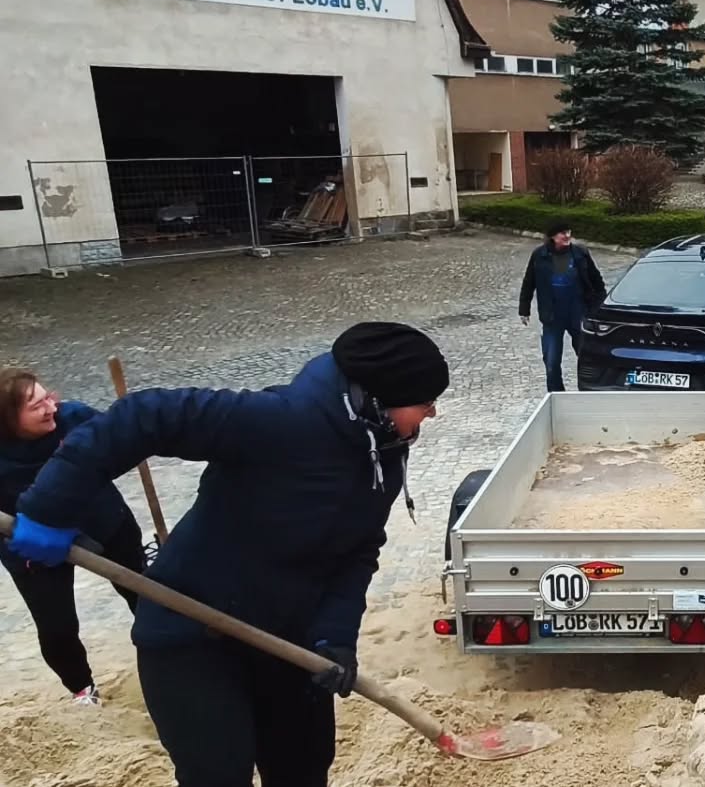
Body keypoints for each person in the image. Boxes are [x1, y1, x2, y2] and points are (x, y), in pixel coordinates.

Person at [7, 322, 449, 787]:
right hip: (190, 635)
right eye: (424, 403)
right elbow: (142, 418)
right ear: (380, 399)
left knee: (304, 768)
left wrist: (335, 633)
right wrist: (48, 507)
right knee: (218, 774)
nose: (432, 414)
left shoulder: (384, 456)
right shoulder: (277, 421)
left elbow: (358, 550)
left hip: (286, 641)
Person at [0, 369, 145, 705]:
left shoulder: (75, 418)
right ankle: (82, 690)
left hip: (102, 520)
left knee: (148, 596)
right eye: (37, 405)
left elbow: (123, 441)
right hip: (30, 545)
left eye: (48, 396)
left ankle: (177, 657)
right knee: (57, 628)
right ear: (8, 420)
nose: (51, 407)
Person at [519, 220, 607, 393]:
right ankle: (556, 395)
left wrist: (599, 306)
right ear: (553, 237)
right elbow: (529, 282)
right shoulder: (539, 255)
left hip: (578, 311)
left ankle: (590, 391)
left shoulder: (580, 253)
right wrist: (524, 309)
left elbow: (597, 281)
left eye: (568, 232)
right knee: (551, 360)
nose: (567, 236)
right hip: (552, 315)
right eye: (562, 233)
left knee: (586, 357)